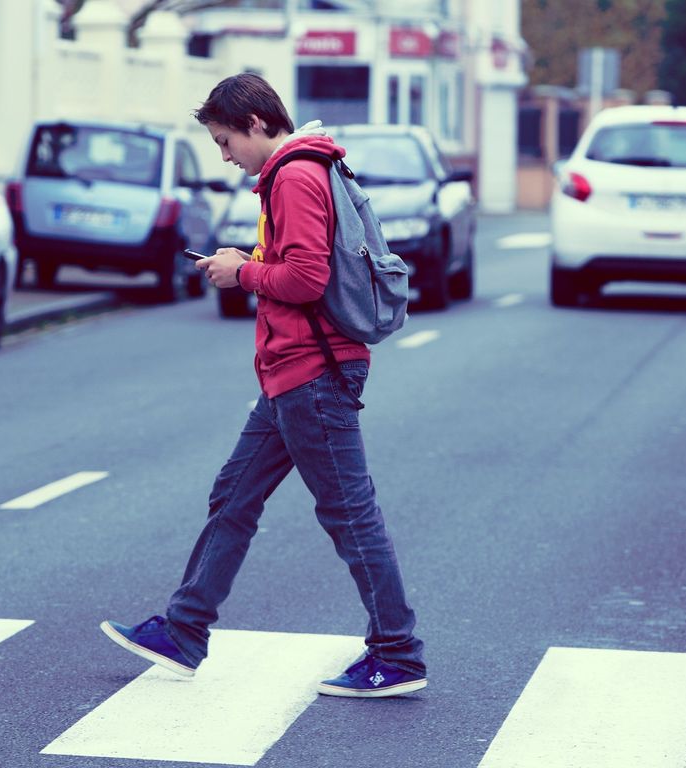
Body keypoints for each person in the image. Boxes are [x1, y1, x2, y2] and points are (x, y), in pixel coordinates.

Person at [100, 73, 426, 697]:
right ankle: (183, 629)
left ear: (255, 123)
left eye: (225, 140)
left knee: (350, 517)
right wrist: (248, 260)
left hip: (313, 372)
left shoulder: (296, 176)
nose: (223, 155)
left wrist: (243, 272)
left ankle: (399, 654)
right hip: (291, 373)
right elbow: (300, 264)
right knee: (233, 496)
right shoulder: (293, 172)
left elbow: (305, 278)